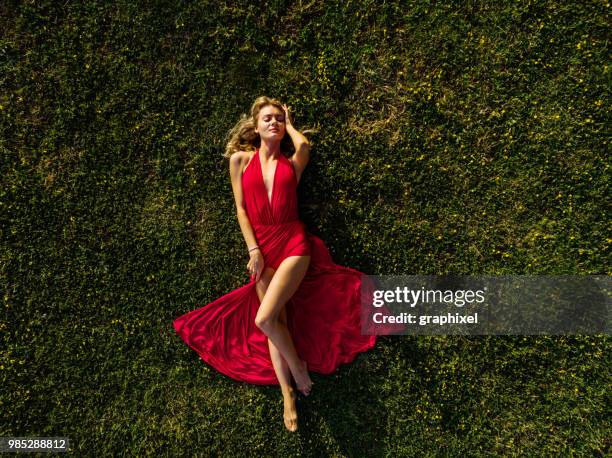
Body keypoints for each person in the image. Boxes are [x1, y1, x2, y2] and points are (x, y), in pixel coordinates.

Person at [173, 96, 385, 432]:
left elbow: (305, 143)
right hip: (263, 248)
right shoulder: (240, 161)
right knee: (276, 322)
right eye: (268, 119)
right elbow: (241, 210)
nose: (274, 123)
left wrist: (292, 123)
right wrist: (252, 248)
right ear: (256, 127)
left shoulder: (293, 163)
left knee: (264, 318)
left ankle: (299, 369)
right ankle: (287, 393)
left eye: (278, 119)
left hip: (293, 245)